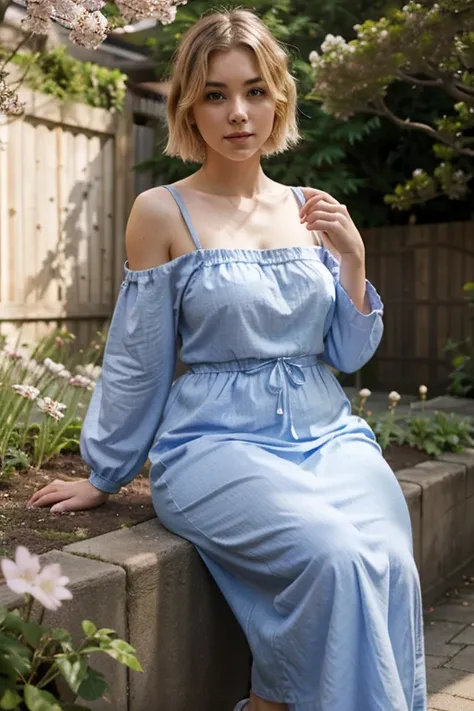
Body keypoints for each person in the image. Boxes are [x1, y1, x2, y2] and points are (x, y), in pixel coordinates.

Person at [28, 8, 426, 711]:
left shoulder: (311, 210)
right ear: (188, 104)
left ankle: (275, 699)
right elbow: (136, 356)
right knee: (333, 556)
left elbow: (347, 350)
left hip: (330, 436)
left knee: (391, 561)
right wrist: (106, 471)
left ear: (279, 99)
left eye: (254, 91)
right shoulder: (161, 210)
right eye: (215, 93)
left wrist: (355, 262)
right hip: (217, 442)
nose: (237, 112)